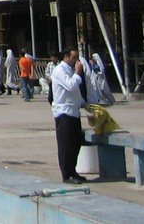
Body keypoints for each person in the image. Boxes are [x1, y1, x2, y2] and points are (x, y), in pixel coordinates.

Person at [50, 46, 88, 185]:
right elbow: (70, 85)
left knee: (75, 144)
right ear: (66, 57)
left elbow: (75, 93)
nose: (75, 61)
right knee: (66, 146)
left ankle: (73, 171)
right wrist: (78, 73)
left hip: (73, 111)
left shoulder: (70, 70)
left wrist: (83, 104)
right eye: (73, 58)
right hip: (63, 112)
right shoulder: (59, 70)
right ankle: (66, 174)